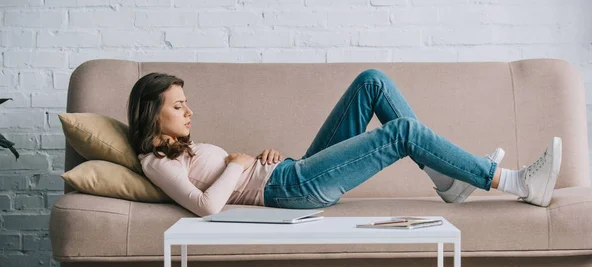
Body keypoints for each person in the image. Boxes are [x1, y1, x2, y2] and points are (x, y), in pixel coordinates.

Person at [128, 69, 562, 217]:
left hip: (287, 172)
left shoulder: (176, 150)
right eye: (179, 106)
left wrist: (255, 160)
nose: (189, 112)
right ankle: (515, 182)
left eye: (186, 104)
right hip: (291, 188)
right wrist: (239, 166)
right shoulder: (154, 162)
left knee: (371, 82)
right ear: (153, 113)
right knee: (404, 133)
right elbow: (206, 207)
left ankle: (444, 179)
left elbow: (230, 176)